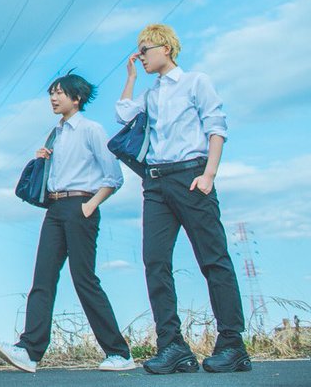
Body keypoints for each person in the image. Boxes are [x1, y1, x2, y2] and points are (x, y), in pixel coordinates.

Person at [118, 24, 250, 374]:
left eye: (144, 50)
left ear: (166, 48)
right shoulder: (150, 94)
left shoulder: (196, 82)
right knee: (155, 262)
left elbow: (216, 127)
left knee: (213, 259)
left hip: (192, 176)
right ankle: (173, 346)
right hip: (155, 184)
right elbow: (123, 114)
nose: (140, 56)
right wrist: (131, 77)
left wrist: (209, 175)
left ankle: (232, 344)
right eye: (138, 52)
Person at [0, 73, 137, 373]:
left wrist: (90, 205)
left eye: (59, 93)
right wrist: (44, 159)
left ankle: (119, 354)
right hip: (55, 208)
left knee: (84, 280)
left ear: (76, 98)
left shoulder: (91, 129)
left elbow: (114, 177)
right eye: (51, 93)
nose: (53, 98)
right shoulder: (55, 134)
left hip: (81, 205)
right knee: (42, 279)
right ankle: (29, 351)